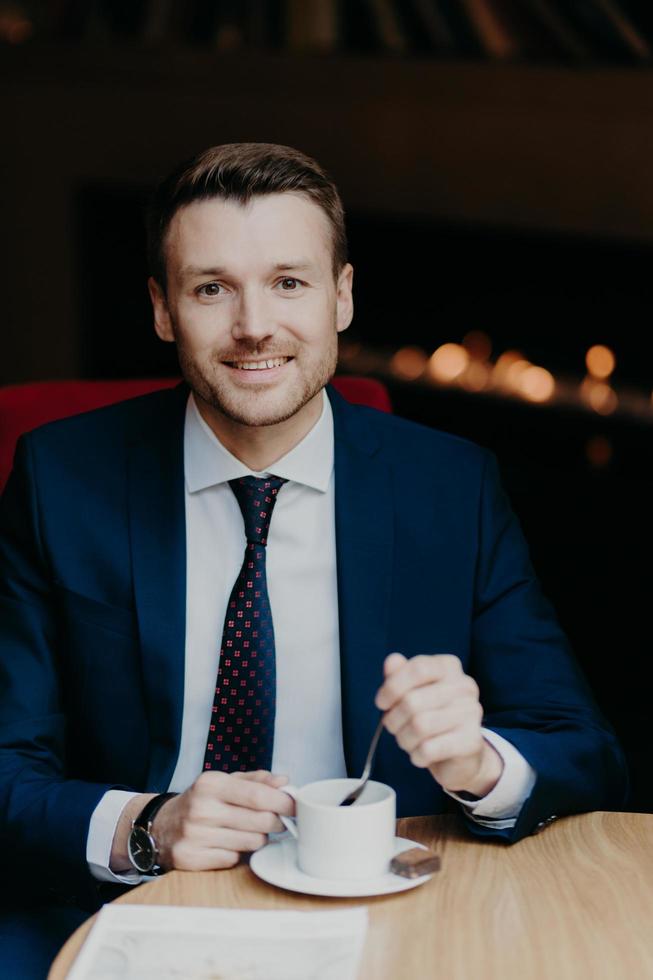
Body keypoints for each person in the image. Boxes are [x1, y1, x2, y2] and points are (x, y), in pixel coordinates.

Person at [0, 143, 627, 975]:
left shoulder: (451, 486)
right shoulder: (57, 479)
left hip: (392, 908)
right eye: (211, 288)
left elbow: (583, 750)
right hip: (138, 910)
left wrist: (478, 762)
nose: (254, 324)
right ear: (161, 309)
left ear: (342, 296)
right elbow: (7, 767)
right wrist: (149, 826)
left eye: (288, 282)